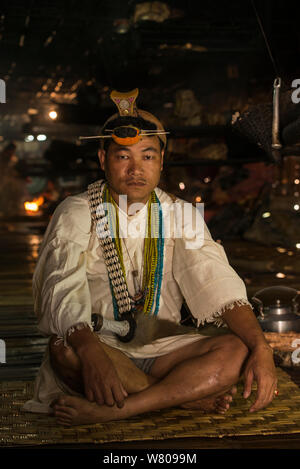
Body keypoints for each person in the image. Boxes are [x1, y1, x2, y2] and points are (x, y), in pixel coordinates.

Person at [23, 89, 277, 425]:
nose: (135, 169)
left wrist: (262, 347)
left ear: (161, 161)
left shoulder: (180, 213)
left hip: (163, 348)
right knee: (63, 350)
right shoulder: (76, 212)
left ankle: (128, 406)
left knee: (237, 350)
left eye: (147, 156)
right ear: (103, 160)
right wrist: (91, 352)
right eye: (123, 157)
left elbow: (216, 279)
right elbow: (61, 285)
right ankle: (178, 397)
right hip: (100, 345)